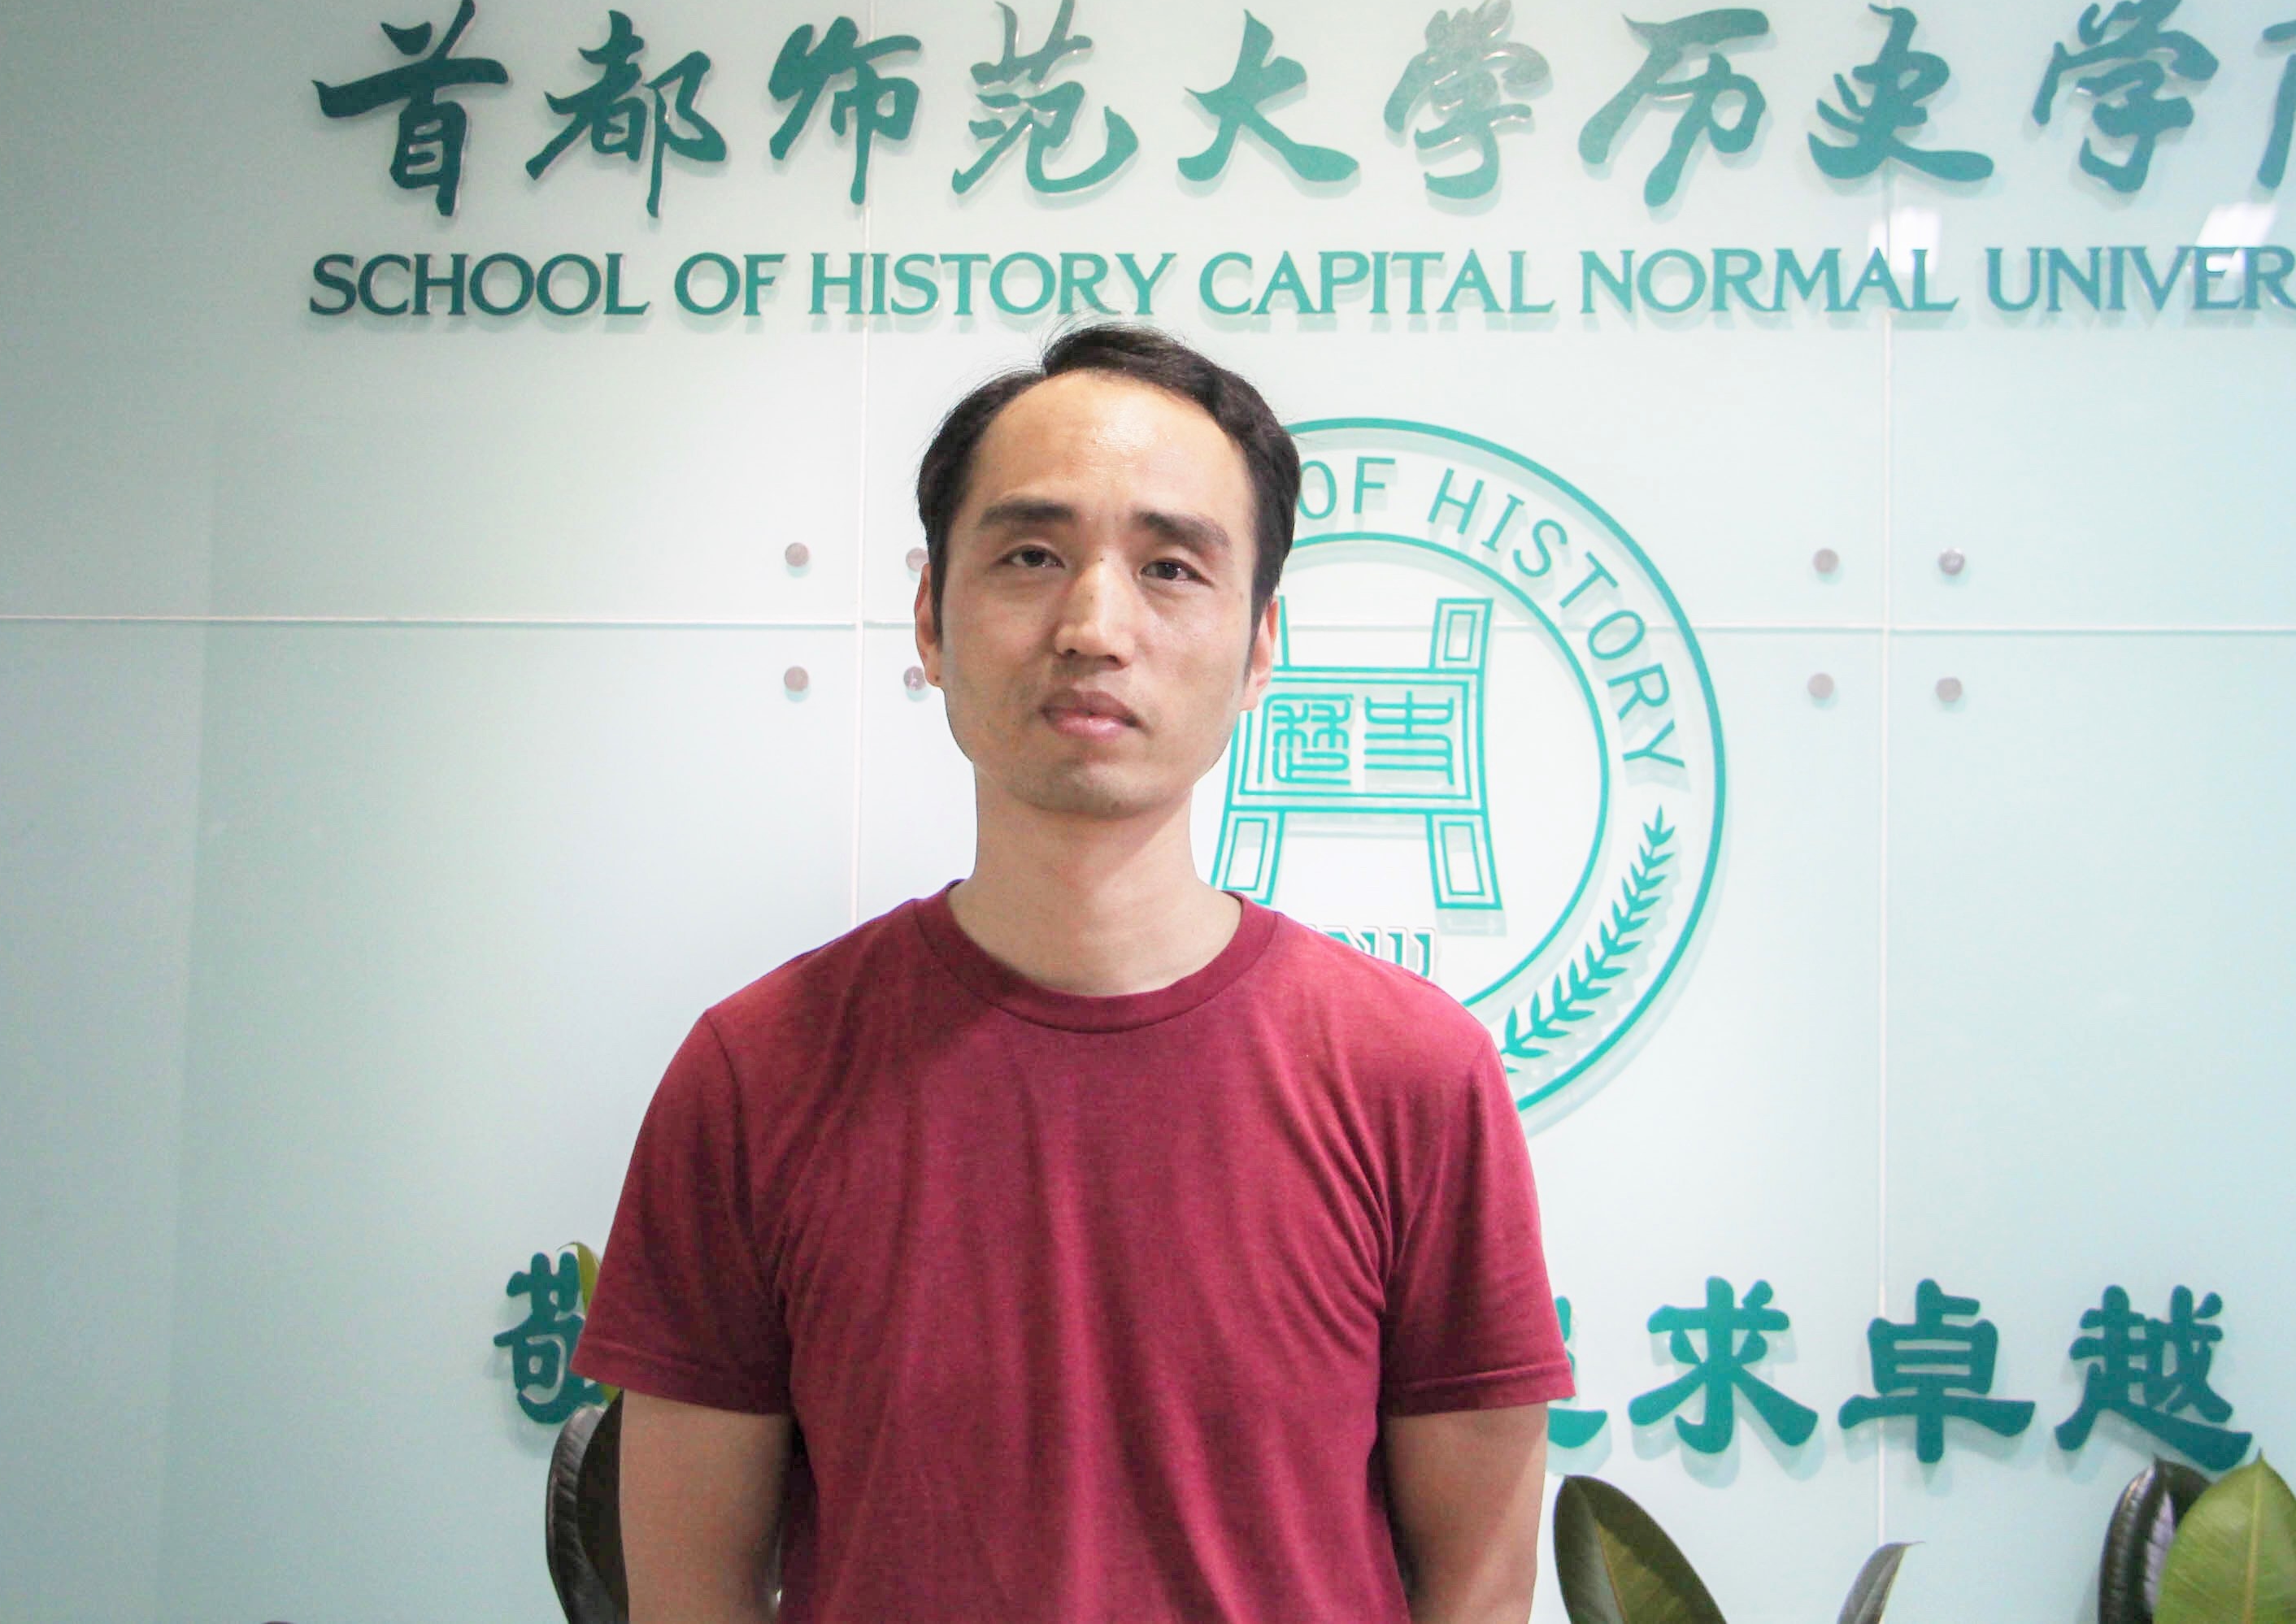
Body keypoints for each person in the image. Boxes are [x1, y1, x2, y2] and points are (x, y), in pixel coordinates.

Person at [573, 323, 1572, 1624]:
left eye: (1171, 568)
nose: (1095, 627)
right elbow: (688, 1592)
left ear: (1259, 647)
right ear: (931, 619)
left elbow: (1480, 1585)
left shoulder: (1412, 1074)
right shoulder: (757, 1071)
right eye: (1032, 557)